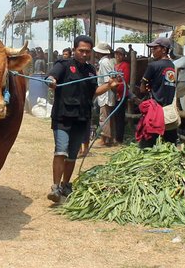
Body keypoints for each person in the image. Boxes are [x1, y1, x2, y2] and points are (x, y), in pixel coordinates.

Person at [46, 35, 119, 202]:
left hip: (81, 118)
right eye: (81, 51)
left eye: (87, 51)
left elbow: (93, 92)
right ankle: (55, 187)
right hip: (63, 117)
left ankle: (66, 185)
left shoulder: (91, 70)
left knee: (72, 155)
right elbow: (51, 78)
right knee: (61, 150)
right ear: (74, 50)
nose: (85, 54)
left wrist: (108, 85)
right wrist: (51, 81)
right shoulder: (63, 65)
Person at [138, 37, 177, 148]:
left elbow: (142, 89)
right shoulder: (172, 66)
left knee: (146, 146)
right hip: (169, 112)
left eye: (155, 48)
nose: (152, 51)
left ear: (164, 50)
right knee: (170, 145)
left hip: (155, 111)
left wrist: (147, 87)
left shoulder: (153, 65)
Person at [93, 42, 116, 147]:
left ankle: (104, 138)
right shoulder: (107, 61)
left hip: (105, 92)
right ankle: (110, 138)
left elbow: (108, 80)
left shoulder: (104, 62)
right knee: (108, 116)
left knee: (104, 116)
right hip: (107, 92)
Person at [113, 47, 131, 143]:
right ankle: (115, 135)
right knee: (115, 116)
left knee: (120, 116)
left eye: (120, 54)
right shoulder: (115, 65)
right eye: (116, 54)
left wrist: (118, 91)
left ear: (123, 56)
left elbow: (125, 80)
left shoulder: (125, 65)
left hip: (121, 93)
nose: (118, 56)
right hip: (114, 92)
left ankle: (119, 138)